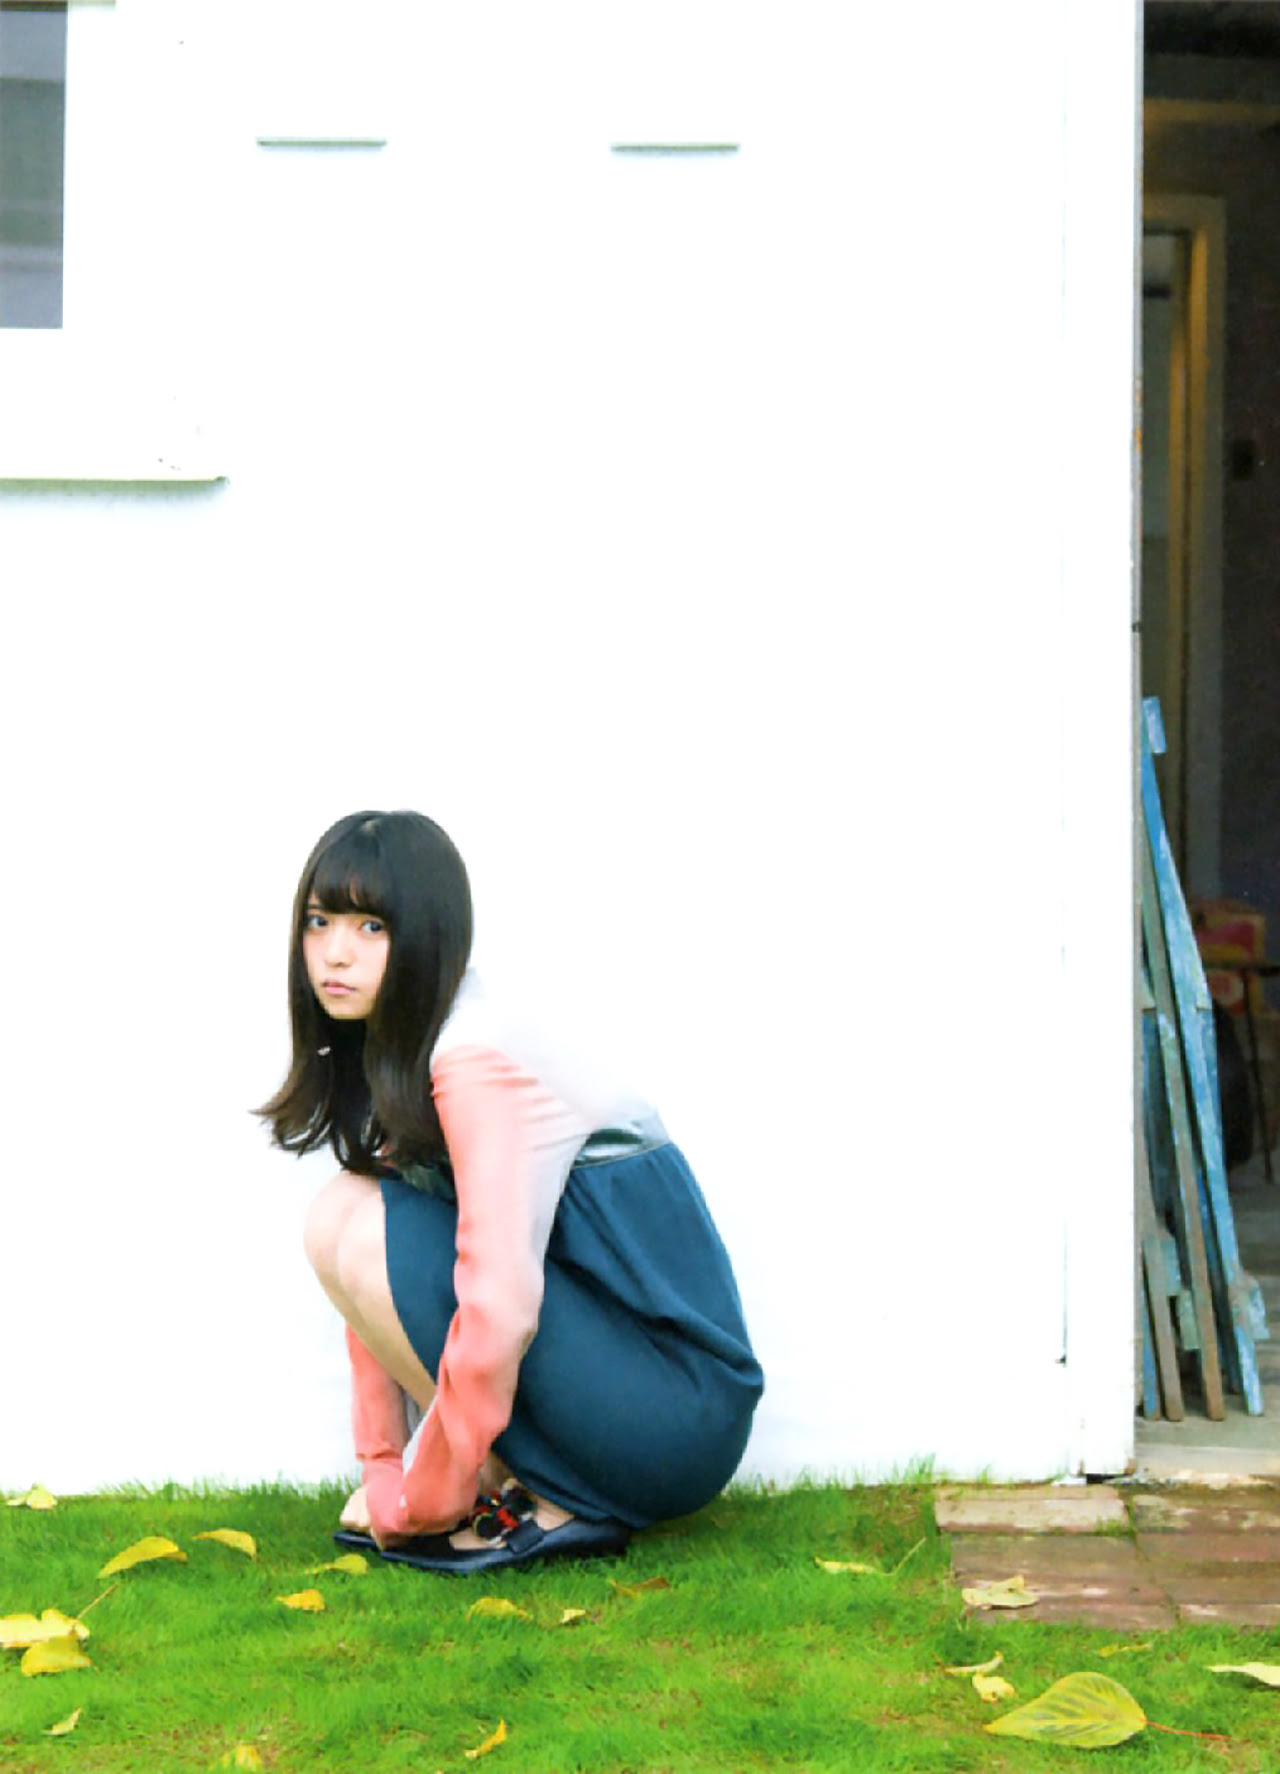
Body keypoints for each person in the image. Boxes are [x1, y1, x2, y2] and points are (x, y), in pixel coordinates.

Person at [258, 810, 764, 1574]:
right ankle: (497, 1481)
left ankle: (543, 1497)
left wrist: (418, 1503)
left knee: (364, 1230)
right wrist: (384, 1469)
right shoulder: (413, 1042)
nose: (335, 952)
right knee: (343, 1212)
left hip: (676, 1414)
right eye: (319, 921)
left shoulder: (472, 1054)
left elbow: (500, 1306)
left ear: (429, 934)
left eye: (372, 928)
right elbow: (373, 1302)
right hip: (621, 1380)